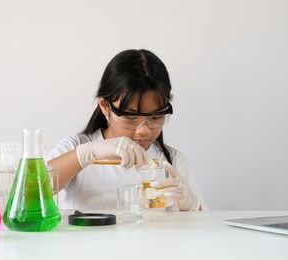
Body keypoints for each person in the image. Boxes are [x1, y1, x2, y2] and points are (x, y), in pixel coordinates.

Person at [47, 49, 207, 211]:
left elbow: (206, 231)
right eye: (131, 117)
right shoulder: (77, 146)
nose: (144, 130)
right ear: (104, 106)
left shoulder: (171, 162)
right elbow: (27, 194)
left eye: (156, 117)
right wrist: (84, 155)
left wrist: (193, 207)